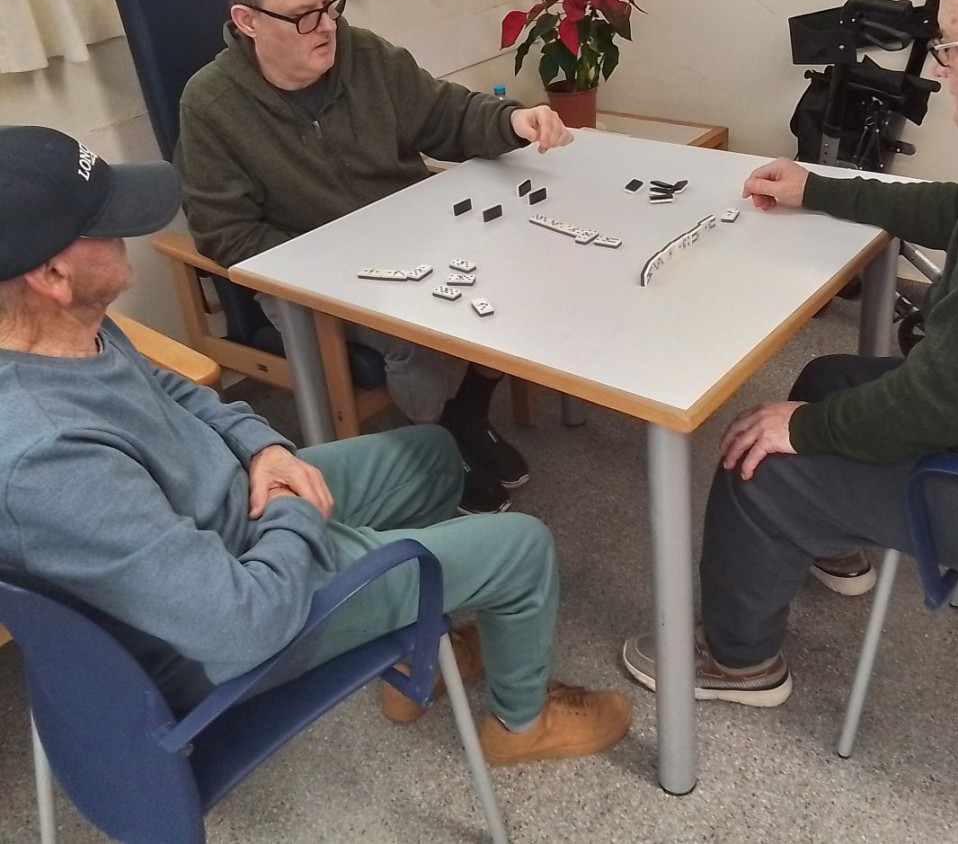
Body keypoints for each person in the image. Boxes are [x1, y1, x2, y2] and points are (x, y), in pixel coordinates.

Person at [0, 125, 631, 763]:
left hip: (239, 517)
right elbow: (241, 625)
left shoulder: (70, 328)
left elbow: (175, 393)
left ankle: (417, 643)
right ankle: (520, 726)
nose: (126, 233)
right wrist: (290, 507)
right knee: (522, 549)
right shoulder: (50, 460)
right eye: (106, 226)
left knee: (435, 457)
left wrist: (266, 452)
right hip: (241, 616)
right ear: (52, 274)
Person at [623, 0, 958, 705]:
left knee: (757, 459)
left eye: (952, 45)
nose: (941, 67)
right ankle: (835, 538)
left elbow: (946, 399)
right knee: (828, 376)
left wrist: (803, 432)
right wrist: (823, 187)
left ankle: (738, 663)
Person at [175, 0, 573, 516]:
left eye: (330, 4)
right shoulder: (211, 105)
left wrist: (512, 121)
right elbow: (225, 233)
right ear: (248, 21)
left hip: (408, 234)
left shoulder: (364, 54)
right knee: (412, 328)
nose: (327, 26)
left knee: (517, 266)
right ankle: (436, 448)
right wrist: (336, 264)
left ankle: (464, 414)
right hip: (303, 270)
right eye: (304, 15)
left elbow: (446, 114)